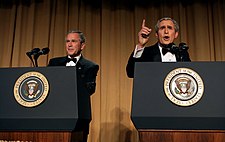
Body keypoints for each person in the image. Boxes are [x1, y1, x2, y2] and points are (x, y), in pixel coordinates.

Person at [48, 30, 99, 142]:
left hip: (78, 117)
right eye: (67, 41)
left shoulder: (90, 66)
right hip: (54, 115)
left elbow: (90, 89)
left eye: (74, 41)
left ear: (82, 45)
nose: (69, 44)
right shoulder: (54, 63)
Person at [126, 17, 191, 78]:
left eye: (169, 28)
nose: (166, 31)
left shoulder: (182, 53)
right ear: (157, 34)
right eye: (162, 28)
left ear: (176, 34)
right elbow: (131, 73)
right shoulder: (147, 52)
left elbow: (190, 75)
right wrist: (141, 45)